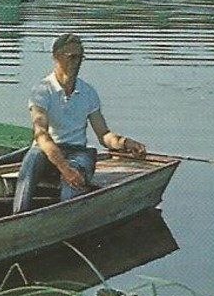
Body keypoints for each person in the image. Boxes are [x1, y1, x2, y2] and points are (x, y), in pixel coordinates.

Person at [12, 33, 146, 214]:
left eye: (80, 57)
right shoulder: (42, 90)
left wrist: (125, 143)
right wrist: (63, 168)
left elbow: (104, 134)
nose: (77, 62)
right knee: (32, 160)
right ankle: (18, 216)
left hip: (77, 151)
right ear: (56, 57)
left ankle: (64, 221)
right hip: (48, 150)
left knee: (71, 186)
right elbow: (41, 135)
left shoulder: (88, 92)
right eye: (72, 57)